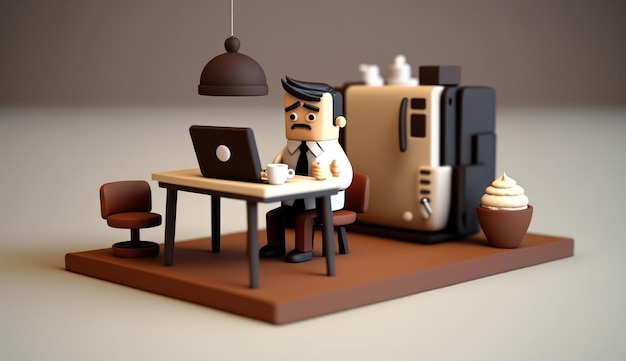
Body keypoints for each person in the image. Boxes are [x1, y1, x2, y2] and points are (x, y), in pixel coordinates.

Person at [260, 77, 353, 263]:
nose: (298, 121)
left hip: (321, 206)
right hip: (293, 202)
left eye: (311, 117)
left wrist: (330, 176)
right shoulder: (289, 148)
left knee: (304, 219)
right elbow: (278, 163)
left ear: (339, 121)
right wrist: (269, 172)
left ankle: (304, 250)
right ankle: (276, 245)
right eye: (292, 116)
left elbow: (346, 178)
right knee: (273, 216)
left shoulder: (333, 150)